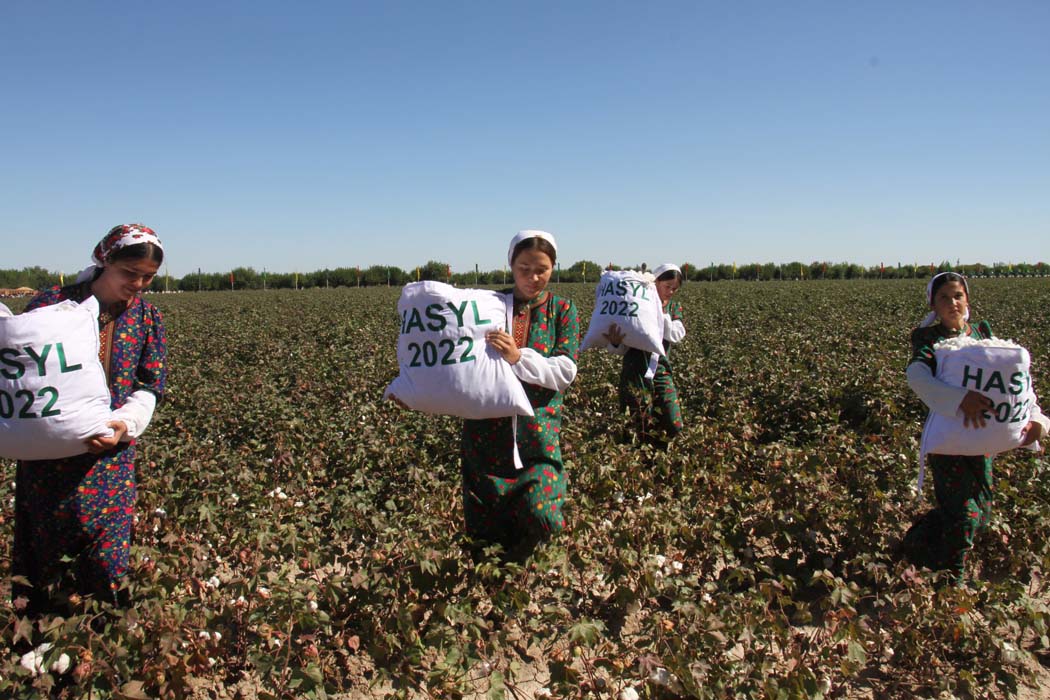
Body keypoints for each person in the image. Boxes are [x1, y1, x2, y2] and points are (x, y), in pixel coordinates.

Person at [13, 224, 168, 613]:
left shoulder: (146, 318)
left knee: (107, 560)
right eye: (129, 274)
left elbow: (150, 385)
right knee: (46, 557)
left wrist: (125, 424)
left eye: (147, 277)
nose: (138, 284)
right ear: (104, 262)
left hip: (109, 460)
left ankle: (101, 642)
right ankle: (41, 644)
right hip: (46, 462)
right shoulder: (51, 306)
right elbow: (20, 373)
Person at [906, 271, 1047, 585]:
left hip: (981, 441)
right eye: (944, 297)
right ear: (933, 303)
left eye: (957, 295)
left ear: (967, 299)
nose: (952, 303)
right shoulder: (928, 339)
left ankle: (915, 544)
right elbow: (916, 376)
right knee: (965, 515)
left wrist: (1037, 419)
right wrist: (959, 400)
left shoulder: (983, 335)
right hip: (949, 442)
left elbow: (1014, 386)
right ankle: (949, 581)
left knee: (980, 512)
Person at [460, 230, 580, 557]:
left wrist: (518, 357)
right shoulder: (488, 307)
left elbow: (565, 371)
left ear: (554, 267)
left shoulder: (562, 310)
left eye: (541, 269)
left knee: (543, 515)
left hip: (537, 435)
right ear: (511, 266)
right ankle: (499, 593)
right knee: (485, 534)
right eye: (524, 268)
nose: (533, 277)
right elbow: (452, 363)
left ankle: (530, 568)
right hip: (485, 437)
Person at [602, 264, 686, 448]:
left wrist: (659, 314)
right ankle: (643, 465)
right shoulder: (637, 303)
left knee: (673, 421)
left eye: (674, 289)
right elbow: (621, 347)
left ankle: (665, 455)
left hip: (661, 371)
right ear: (655, 282)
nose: (670, 292)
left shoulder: (673, 308)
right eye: (667, 287)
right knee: (638, 423)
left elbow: (677, 334)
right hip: (634, 372)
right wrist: (615, 342)